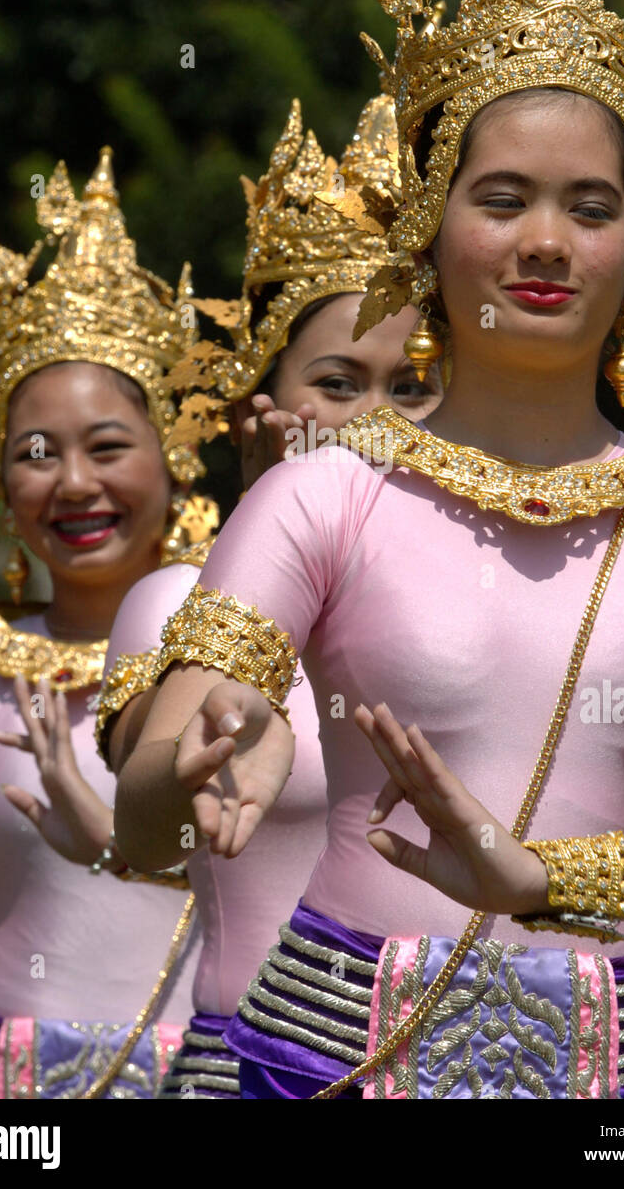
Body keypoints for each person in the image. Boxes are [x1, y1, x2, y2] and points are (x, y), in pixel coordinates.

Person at [113, 0, 624, 1101]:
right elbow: (147, 802)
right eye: (503, 197)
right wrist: (166, 783)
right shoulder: (322, 496)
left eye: (592, 205)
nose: (546, 242)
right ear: (432, 225)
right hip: (334, 1055)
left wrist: (549, 877)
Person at [97, 95, 444, 1098]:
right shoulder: (178, 598)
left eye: (412, 385)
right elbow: (144, 815)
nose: (379, 419)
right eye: (338, 382)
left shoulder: (490, 598)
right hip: (251, 1073)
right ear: (265, 405)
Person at [0, 149, 225, 1098]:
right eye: (37, 454)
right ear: (5, 493)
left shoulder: (248, 653)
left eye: (110, 447)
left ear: (174, 465)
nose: (75, 483)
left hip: (216, 1076)